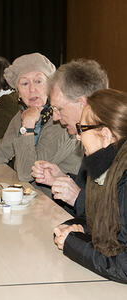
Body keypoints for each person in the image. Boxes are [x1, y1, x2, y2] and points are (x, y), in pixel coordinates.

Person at [0, 53, 83, 195]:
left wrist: (27, 127)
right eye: (25, 83)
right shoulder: (23, 114)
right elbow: (4, 149)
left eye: (38, 81)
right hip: (33, 196)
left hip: (59, 205)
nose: (32, 89)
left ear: (50, 86)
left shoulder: (61, 121)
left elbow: (27, 174)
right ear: (18, 93)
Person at [53, 88, 127, 283]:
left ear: (106, 135)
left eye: (82, 129)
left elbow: (125, 266)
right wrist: (72, 228)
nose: (78, 137)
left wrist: (74, 244)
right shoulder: (107, 165)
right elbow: (97, 219)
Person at [31, 59, 109, 214]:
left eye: (58, 108)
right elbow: (94, 192)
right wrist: (61, 178)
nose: (55, 117)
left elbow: (118, 222)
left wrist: (78, 198)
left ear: (82, 103)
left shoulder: (114, 144)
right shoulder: (91, 137)